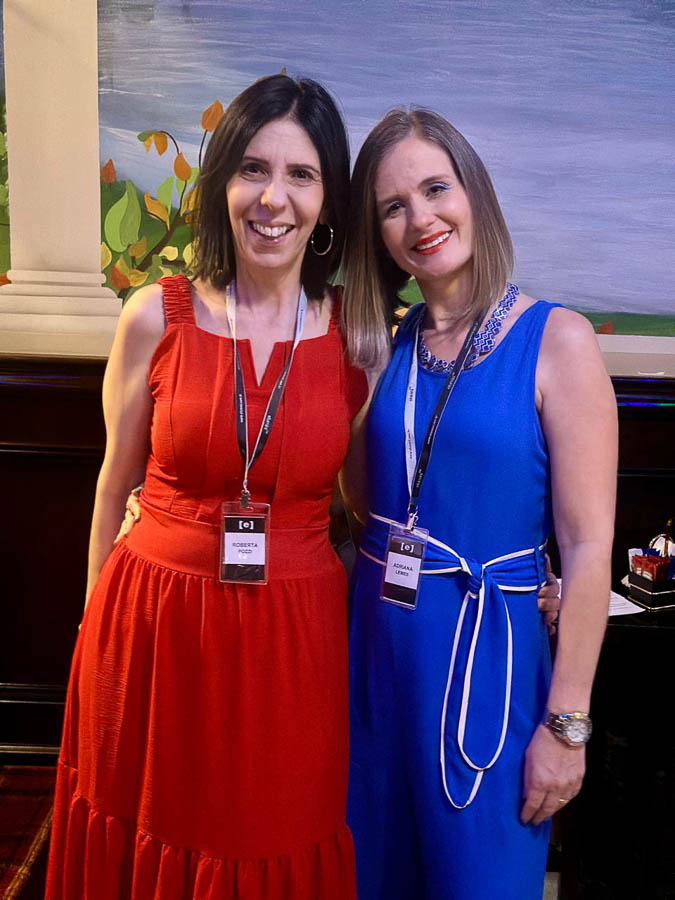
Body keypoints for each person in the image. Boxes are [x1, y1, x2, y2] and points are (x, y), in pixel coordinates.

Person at [45, 74, 367, 899]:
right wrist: (91, 626)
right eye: (253, 168)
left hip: (294, 643)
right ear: (222, 181)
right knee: (142, 829)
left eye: (300, 175)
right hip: (151, 629)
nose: (273, 198)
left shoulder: (356, 338)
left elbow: (374, 506)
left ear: (327, 202)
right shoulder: (155, 315)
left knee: (273, 836)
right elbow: (113, 480)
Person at [341, 109, 617, 899]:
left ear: (473, 193)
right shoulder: (385, 346)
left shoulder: (558, 340)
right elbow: (355, 503)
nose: (419, 219)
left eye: (435, 189)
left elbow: (587, 548)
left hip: (486, 670)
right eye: (392, 207)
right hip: (373, 671)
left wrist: (566, 727)